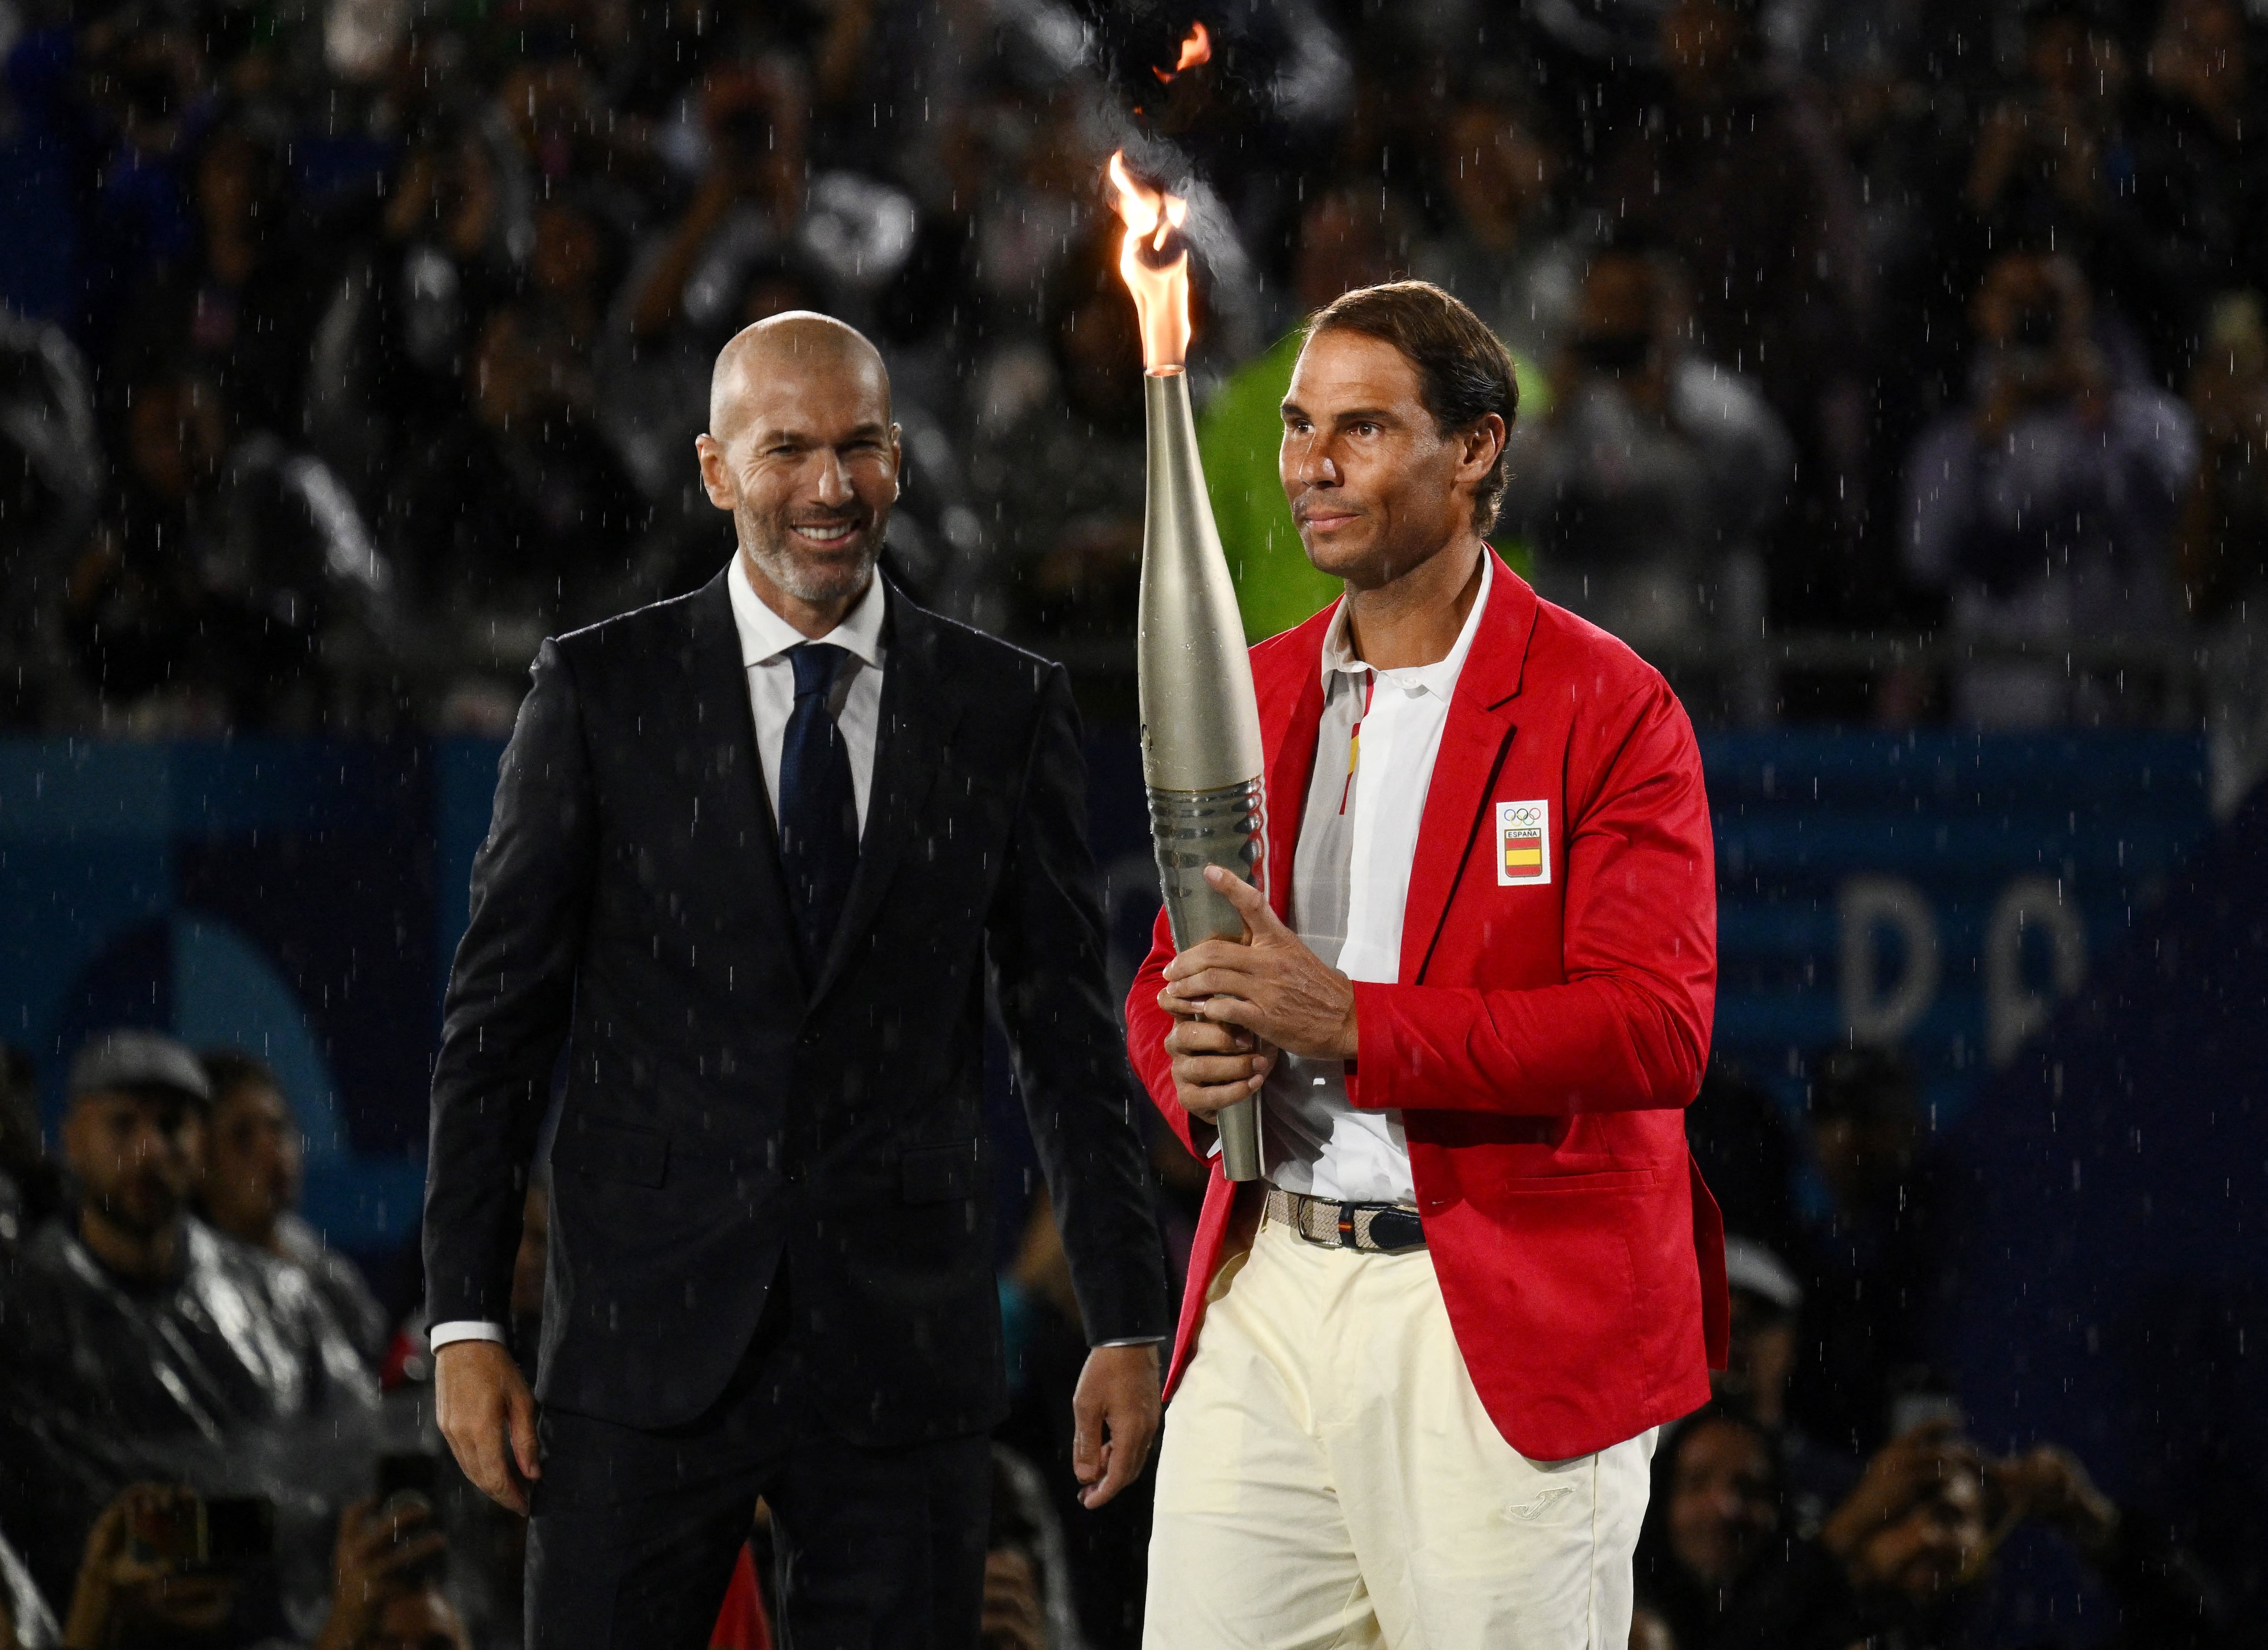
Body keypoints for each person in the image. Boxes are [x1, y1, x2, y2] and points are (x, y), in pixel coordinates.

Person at [422, 311, 1171, 1648]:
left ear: (900, 459)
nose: (831, 486)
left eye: (859, 446)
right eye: (786, 450)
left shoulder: (1000, 706)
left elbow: (1065, 1035)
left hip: (900, 1356)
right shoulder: (599, 693)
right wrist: (468, 1319)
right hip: (642, 1349)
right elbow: (496, 1032)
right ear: (715, 470)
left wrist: (1125, 1316)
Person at [1126, 281, 1726, 1648]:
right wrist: (1188, 1055)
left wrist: (1353, 1023)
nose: (1311, 465)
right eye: (1298, 426)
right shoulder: (1254, 687)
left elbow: (1652, 1030)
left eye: (1363, 428)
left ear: (1475, 449)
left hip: (1502, 1317)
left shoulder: (1608, 707)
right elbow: (1171, 972)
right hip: (1270, 1291)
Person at [0, 1031, 376, 1615]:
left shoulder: (280, 1301)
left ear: (199, 1144)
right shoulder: (21, 1311)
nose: (150, 1149)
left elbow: (350, 1470)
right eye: (123, 1124)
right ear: (72, 1140)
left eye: (172, 1125)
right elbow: (37, 1523)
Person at [1901, 249, 2198, 726]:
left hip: (2127, 713)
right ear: (1984, 313)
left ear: (2081, 307)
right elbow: (1925, 557)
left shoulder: (2148, 421)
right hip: (2002, 710)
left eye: (2048, 302)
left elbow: (2183, 516)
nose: (2033, 319)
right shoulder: (1952, 440)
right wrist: (1985, 438)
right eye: (2016, 303)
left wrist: (2105, 413)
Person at [196, 1049, 389, 1366]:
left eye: (278, 1127)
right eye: (242, 1137)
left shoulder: (313, 1255)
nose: (273, 1151)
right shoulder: (196, 1282)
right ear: (199, 1159)